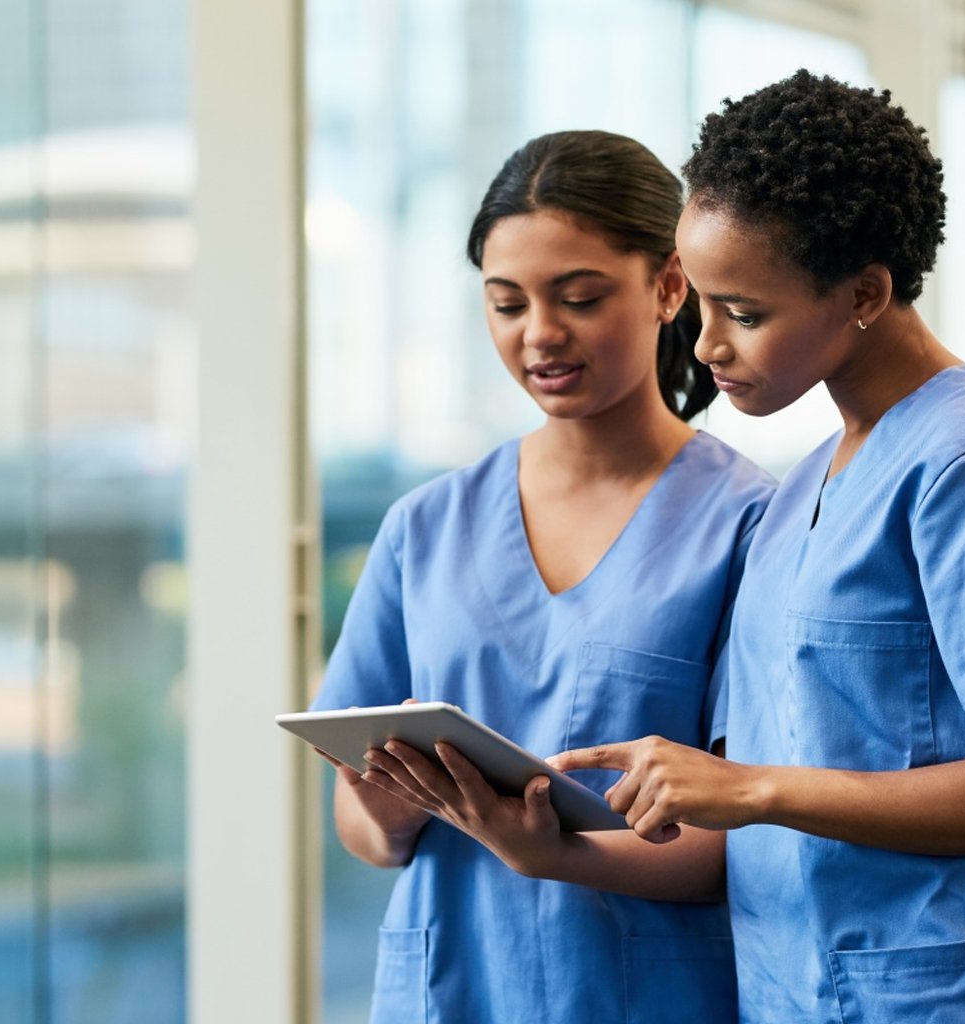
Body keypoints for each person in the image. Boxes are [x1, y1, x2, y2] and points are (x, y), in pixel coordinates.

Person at [552, 71, 965, 1023]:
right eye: (700, 304)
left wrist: (750, 787)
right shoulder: (801, 495)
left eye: (745, 313)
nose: (707, 345)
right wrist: (549, 833)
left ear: (866, 292)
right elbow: (764, 807)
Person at [308, 130, 774, 1024]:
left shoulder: (749, 525)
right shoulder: (425, 528)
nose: (540, 335)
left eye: (580, 297)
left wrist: (557, 855)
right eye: (506, 303)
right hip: (450, 990)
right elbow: (362, 829)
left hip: (647, 994)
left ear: (669, 286)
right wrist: (394, 804)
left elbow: (754, 831)